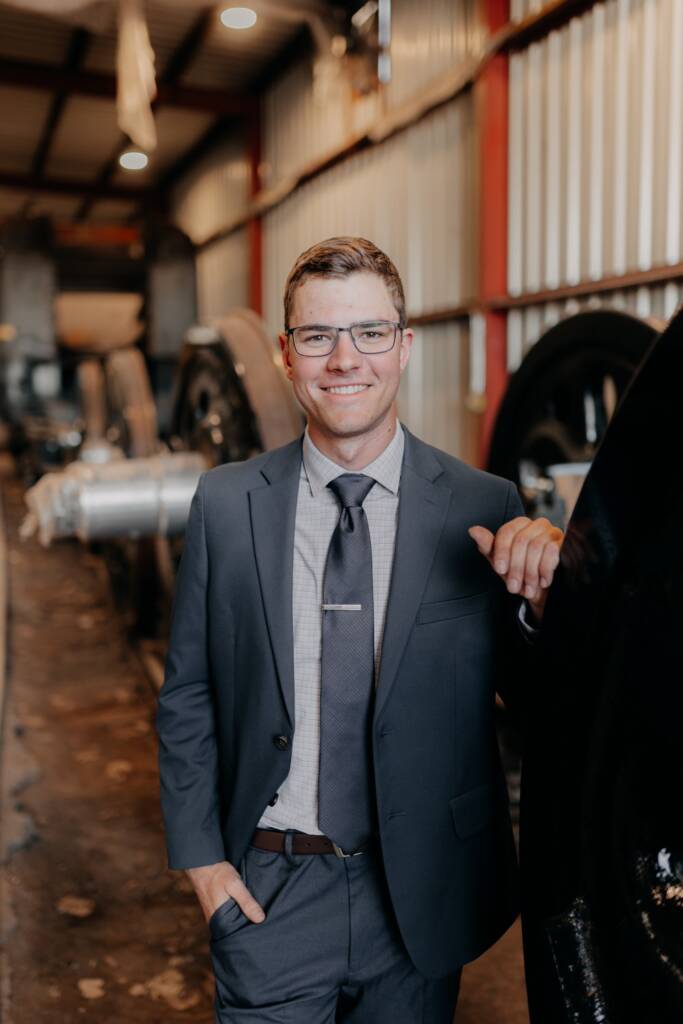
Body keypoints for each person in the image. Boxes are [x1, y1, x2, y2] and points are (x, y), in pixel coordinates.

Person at [156, 237, 563, 1023]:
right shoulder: (226, 505)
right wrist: (205, 866)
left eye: (369, 332)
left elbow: (542, 700)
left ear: (403, 346)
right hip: (271, 887)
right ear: (285, 355)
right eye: (317, 336)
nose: (345, 359)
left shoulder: (482, 506)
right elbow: (188, 693)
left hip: (418, 894)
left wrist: (548, 601)